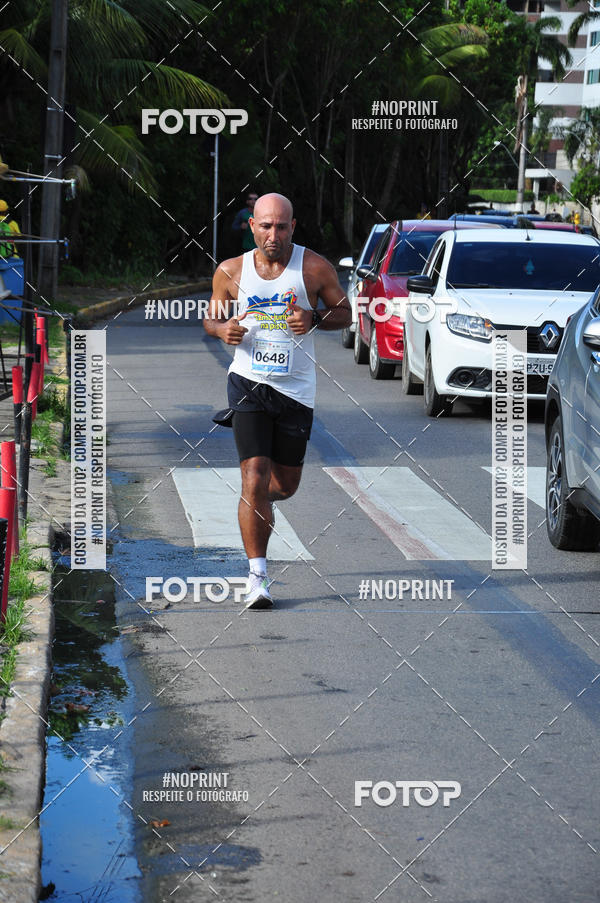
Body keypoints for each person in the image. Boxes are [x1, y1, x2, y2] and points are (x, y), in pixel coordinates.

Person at [204, 193, 351, 609]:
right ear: (252, 225)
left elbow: (347, 313)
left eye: (281, 226)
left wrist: (316, 318)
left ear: (293, 226)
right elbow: (212, 317)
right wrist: (221, 331)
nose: (274, 234)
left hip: (295, 390)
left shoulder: (314, 267)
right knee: (253, 475)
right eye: (266, 226)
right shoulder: (231, 271)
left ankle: (256, 504)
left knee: (282, 486)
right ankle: (257, 578)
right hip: (248, 382)